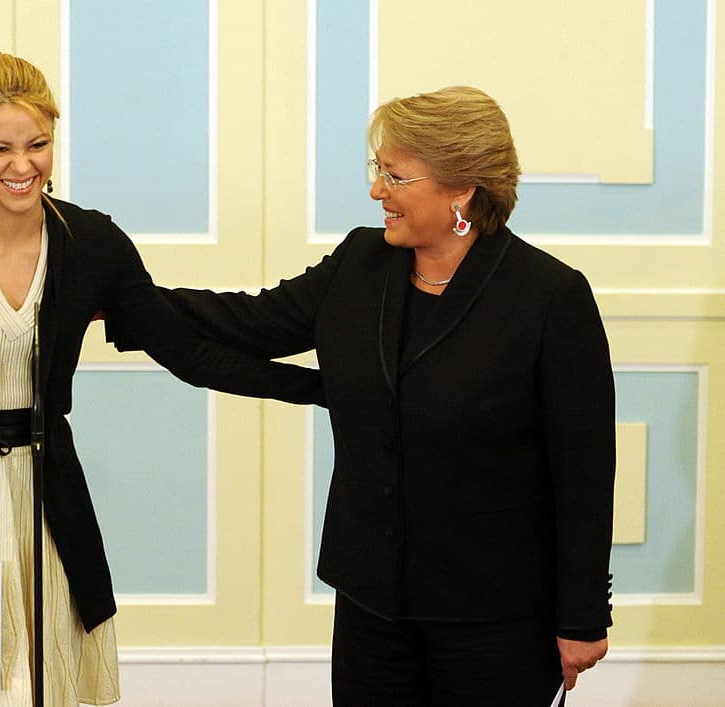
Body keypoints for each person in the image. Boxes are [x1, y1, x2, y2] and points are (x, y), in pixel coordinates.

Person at [110, 86, 615, 705]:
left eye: (396, 176)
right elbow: (251, 324)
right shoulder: (360, 264)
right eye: (379, 170)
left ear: (461, 189)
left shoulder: (549, 297)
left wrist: (582, 617)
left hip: (496, 614)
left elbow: (585, 472)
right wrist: (120, 298)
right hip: (372, 604)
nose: (378, 191)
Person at [0, 50, 323, 707]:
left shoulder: (92, 242)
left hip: (47, 507)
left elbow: (187, 352)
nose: (23, 167)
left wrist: (326, 388)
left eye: (38, 144)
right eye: (0, 148)